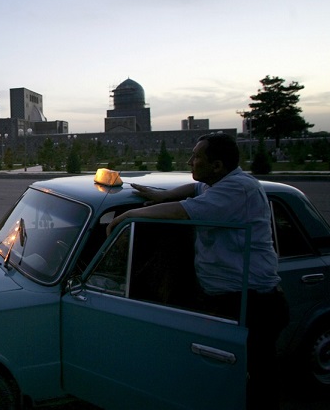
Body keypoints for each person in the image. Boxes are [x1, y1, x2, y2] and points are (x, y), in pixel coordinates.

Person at [106, 133, 288, 410]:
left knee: (254, 382)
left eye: (196, 158)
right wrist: (162, 194)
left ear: (216, 166)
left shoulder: (237, 190)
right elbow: (193, 190)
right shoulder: (221, 183)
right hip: (228, 298)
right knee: (223, 378)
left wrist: (127, 216)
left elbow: (182, 211)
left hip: (250, 303)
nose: (190, 161)